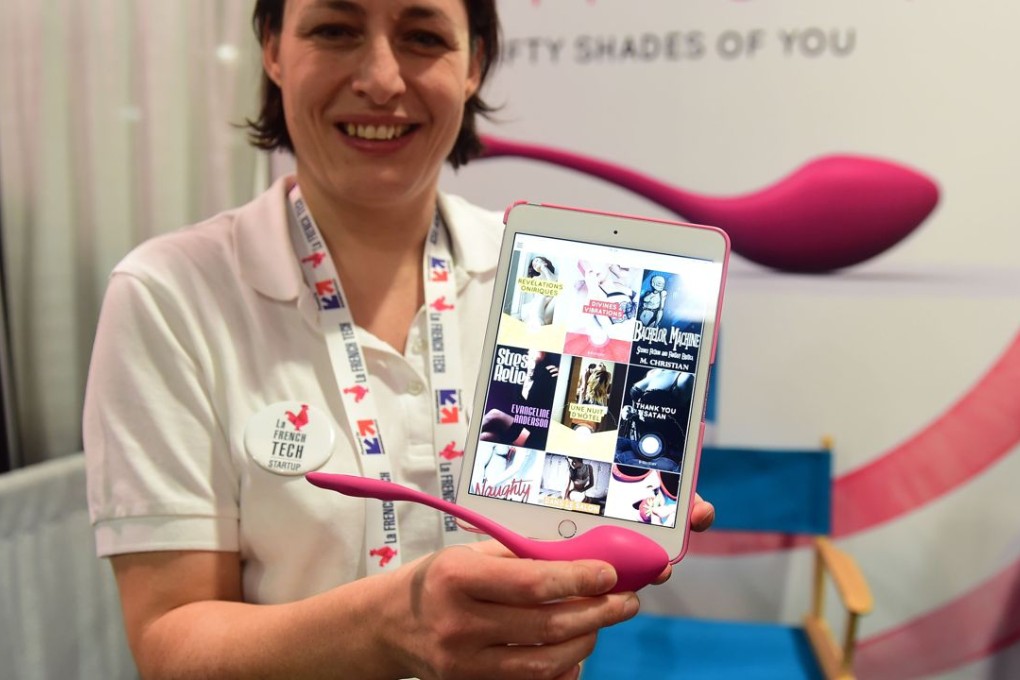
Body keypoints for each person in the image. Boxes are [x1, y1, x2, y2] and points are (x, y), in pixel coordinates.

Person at [83, 1, 715, 678]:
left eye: (421, 37)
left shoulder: (549, 281)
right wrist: (387, 627)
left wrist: (607, 535)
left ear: (473, 64)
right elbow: (168, 641)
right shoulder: (170, 294)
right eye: (335, 30)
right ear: (272, 49)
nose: (382, 79)